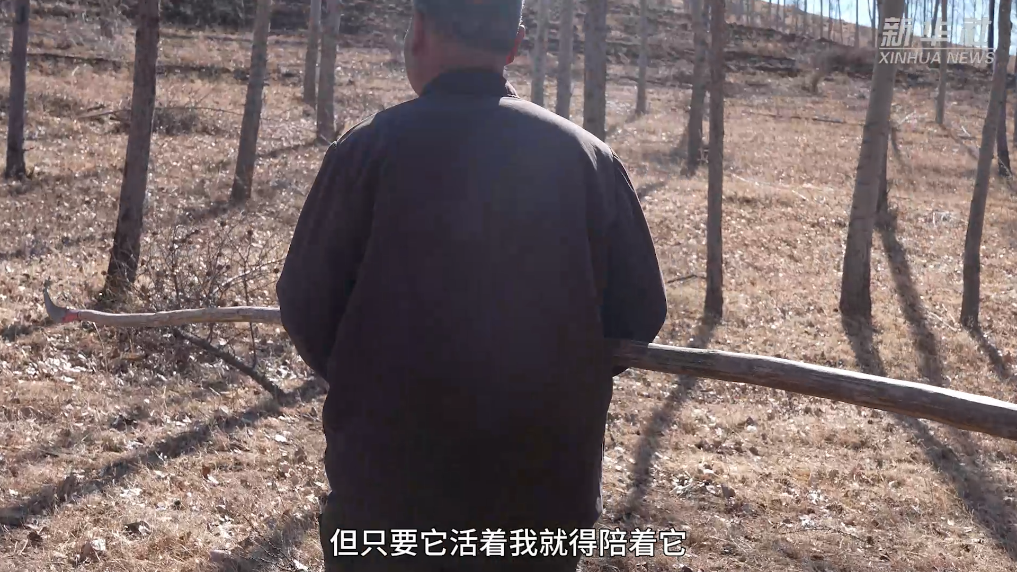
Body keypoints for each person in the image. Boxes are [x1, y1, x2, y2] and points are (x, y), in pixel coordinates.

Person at [276, 0, 667, 570]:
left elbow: (305, 303)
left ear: (418, 31)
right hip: (542, 498)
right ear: (515, 45)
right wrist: (553, 380)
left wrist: (377, 383)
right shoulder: (588, 159)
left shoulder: (366, 151)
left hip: (387, 496)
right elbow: (639, 313)